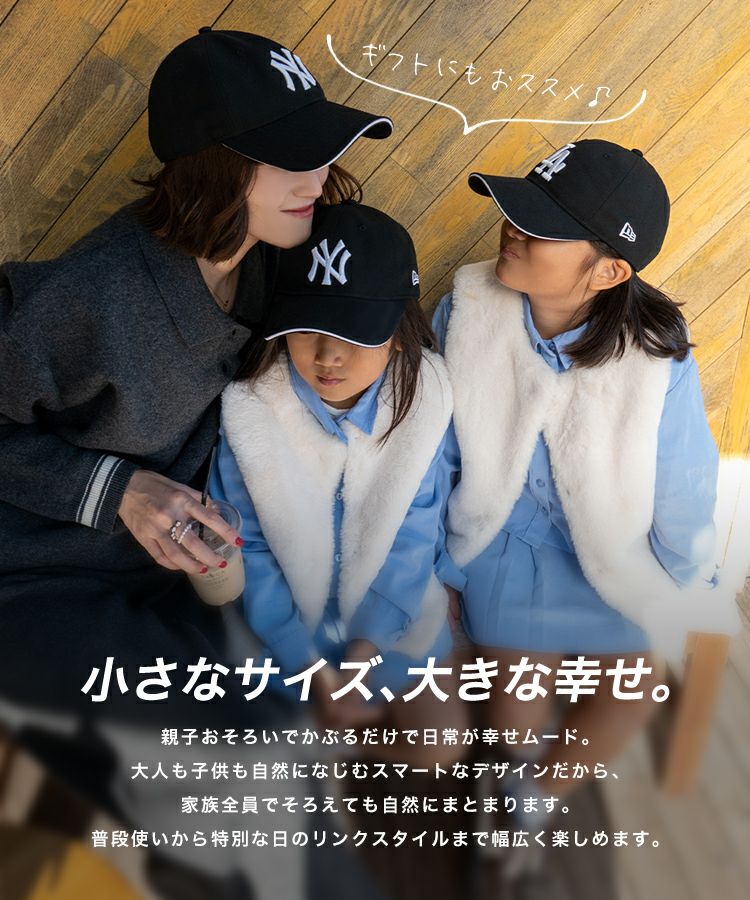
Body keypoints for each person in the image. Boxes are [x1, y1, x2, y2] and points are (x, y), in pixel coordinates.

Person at [0, 27, 393, 721]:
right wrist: (120, 489)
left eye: (320, 152)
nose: (318, 180)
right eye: (291, 158)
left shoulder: (281, 256)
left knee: (313, 720)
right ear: (212, 166)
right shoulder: (89, 298)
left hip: (192, 568)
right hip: (42, 576)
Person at [432, 140, 720, 842]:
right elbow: (434, 452)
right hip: (500, 541)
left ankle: (530, 805)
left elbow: (684, 478)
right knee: (516, 717)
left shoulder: (656, 350)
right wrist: (439, 571)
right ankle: (511, 773)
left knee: (635, 689)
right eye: (516, 212)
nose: (511, 229)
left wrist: (683, 587)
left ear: (609, 271)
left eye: (540, 228)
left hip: (609, 547)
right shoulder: (467, 309)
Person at [210, 201, 466, 760]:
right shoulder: (253, 409)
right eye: (305, 329)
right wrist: (306, 664)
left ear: (399, 333)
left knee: (439, 742)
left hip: (388, 611)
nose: (328, 356)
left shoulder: (422, 401)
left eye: (354, 333)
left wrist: (363, 659)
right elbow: (247, 547)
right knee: (280, 752)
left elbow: (413, 536)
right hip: (278, 624)